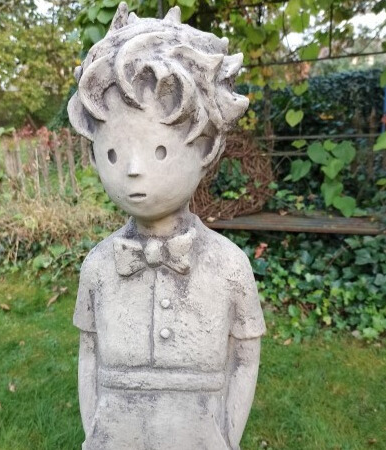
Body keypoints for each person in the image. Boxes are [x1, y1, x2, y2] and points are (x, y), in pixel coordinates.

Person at [68, 4, 266, 449]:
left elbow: (244, 357)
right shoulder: (98, 267)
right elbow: (89, 354)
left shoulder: (229, 267)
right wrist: (93, 430)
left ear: (207, 147)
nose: (133, 170)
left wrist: (227, 436)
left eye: (159, 151)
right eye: (113, 154)